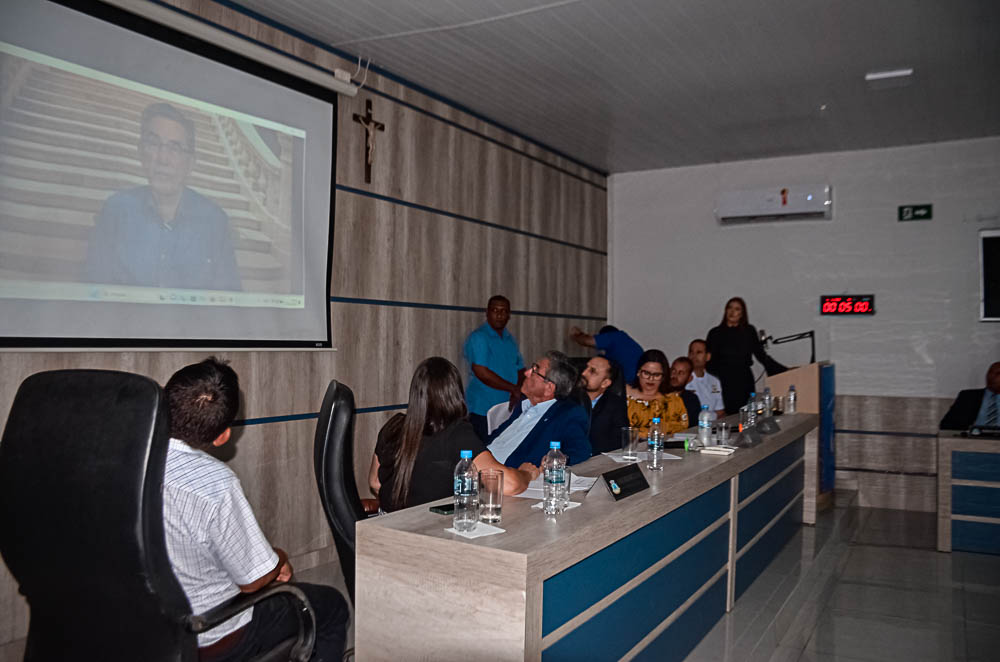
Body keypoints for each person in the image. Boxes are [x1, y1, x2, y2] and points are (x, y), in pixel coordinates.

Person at [162, 358, 347, 661]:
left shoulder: (124, 463)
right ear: (223, 435)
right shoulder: (214, 483)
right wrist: (280, 559)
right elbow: (253, 580)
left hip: (145, 631)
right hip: (214, 635)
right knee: (331, 606)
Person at [85, 102, 241, 291]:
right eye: (154, 144)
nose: (163, 159)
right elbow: (93, 293)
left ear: (190, 163)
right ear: (141, 152)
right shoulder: (116, 210)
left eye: (175, 148)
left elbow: (229, 306)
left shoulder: (215, 222)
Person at [367, 357, 538, 512]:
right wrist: (526, 474)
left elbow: (375, 483)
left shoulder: (393, 425)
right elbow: (509, 484)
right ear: (456, 394)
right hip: (427, 534)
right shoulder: (457, 434)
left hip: (387, 525)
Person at [488, 351, 592, 466]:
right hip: (480, 464)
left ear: (549, 388)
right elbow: (494, 439)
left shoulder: (568, 414)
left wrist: (551, 463)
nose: (527, 373)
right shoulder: (523, 405)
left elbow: (580, 453)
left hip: (505, 476)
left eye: (534, 371)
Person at [706, 297, 787, 415]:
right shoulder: (715, 333)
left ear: (742, 314)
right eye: (730, 308)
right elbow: (709, 362)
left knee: (746, 415)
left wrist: (783, 370)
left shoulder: (748, 331)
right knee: (727, 416)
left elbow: (761, 355)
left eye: (737, 309)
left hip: (743, 379)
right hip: (723, 381)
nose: (732, 312)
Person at [463, 295, 525, 440]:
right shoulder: (479, 337)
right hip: (483, 410)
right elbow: (481, 372)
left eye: (504, 311)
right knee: (485, 454)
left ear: (509, 315)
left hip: (508, 408)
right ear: (487, 312)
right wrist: (513, 389)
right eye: (495, 310)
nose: (499, 315)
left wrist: (519, 389)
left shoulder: (509, 339)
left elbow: (521, 368)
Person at [625, 349, 689, 435]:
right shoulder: (624, 396)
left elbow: (683, 425)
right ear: (638, 372)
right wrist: (648, 432)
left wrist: (664, 428)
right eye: (646, 373)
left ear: (663, 377)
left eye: (656, 375)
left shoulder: (673, 399)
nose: (651, 379)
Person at [580, 355, 628, 454]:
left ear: (605, 383)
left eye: (592, 371)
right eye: (586, 368)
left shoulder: (615, 405)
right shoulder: (568, 399)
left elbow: (619, 442)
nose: (583, 373)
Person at [569, 324, 644, 382]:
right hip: (638, 382)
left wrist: (576, 335)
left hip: (628, 384)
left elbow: (587, 341)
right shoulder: (626, 344)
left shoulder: (615, 336)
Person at [940, 361, 1000, 430]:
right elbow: (946, 425)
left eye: (998, 373)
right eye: (990, 372)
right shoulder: (968, 397)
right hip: (972, 439)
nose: (991, 376)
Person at [687, 338, 726, 419]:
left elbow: (720, 411)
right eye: (691, 352)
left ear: (708, 357)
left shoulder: (714, 381)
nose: (694, 356)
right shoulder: (683, 380)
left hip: (711, 425)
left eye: (699, 352)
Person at [669, 356, 703, 424]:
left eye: (681, 373)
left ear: (689, 378)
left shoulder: (692, 400)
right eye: (673, 370)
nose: (675, 375)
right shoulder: (658, 395)